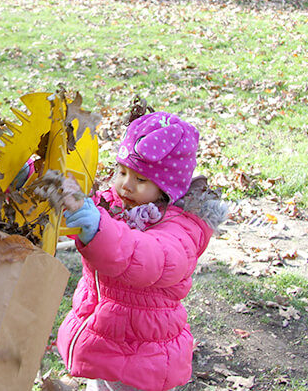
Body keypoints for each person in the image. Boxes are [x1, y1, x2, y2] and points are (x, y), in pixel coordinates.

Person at [55, 112, 229, 391]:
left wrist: (99, 229)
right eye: (122, 172)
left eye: (141, 179)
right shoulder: (118, 204)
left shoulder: (180, 230)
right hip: (108, 335)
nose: (126, 184)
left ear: (165, 188)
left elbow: (146, 257)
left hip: (143, 352)